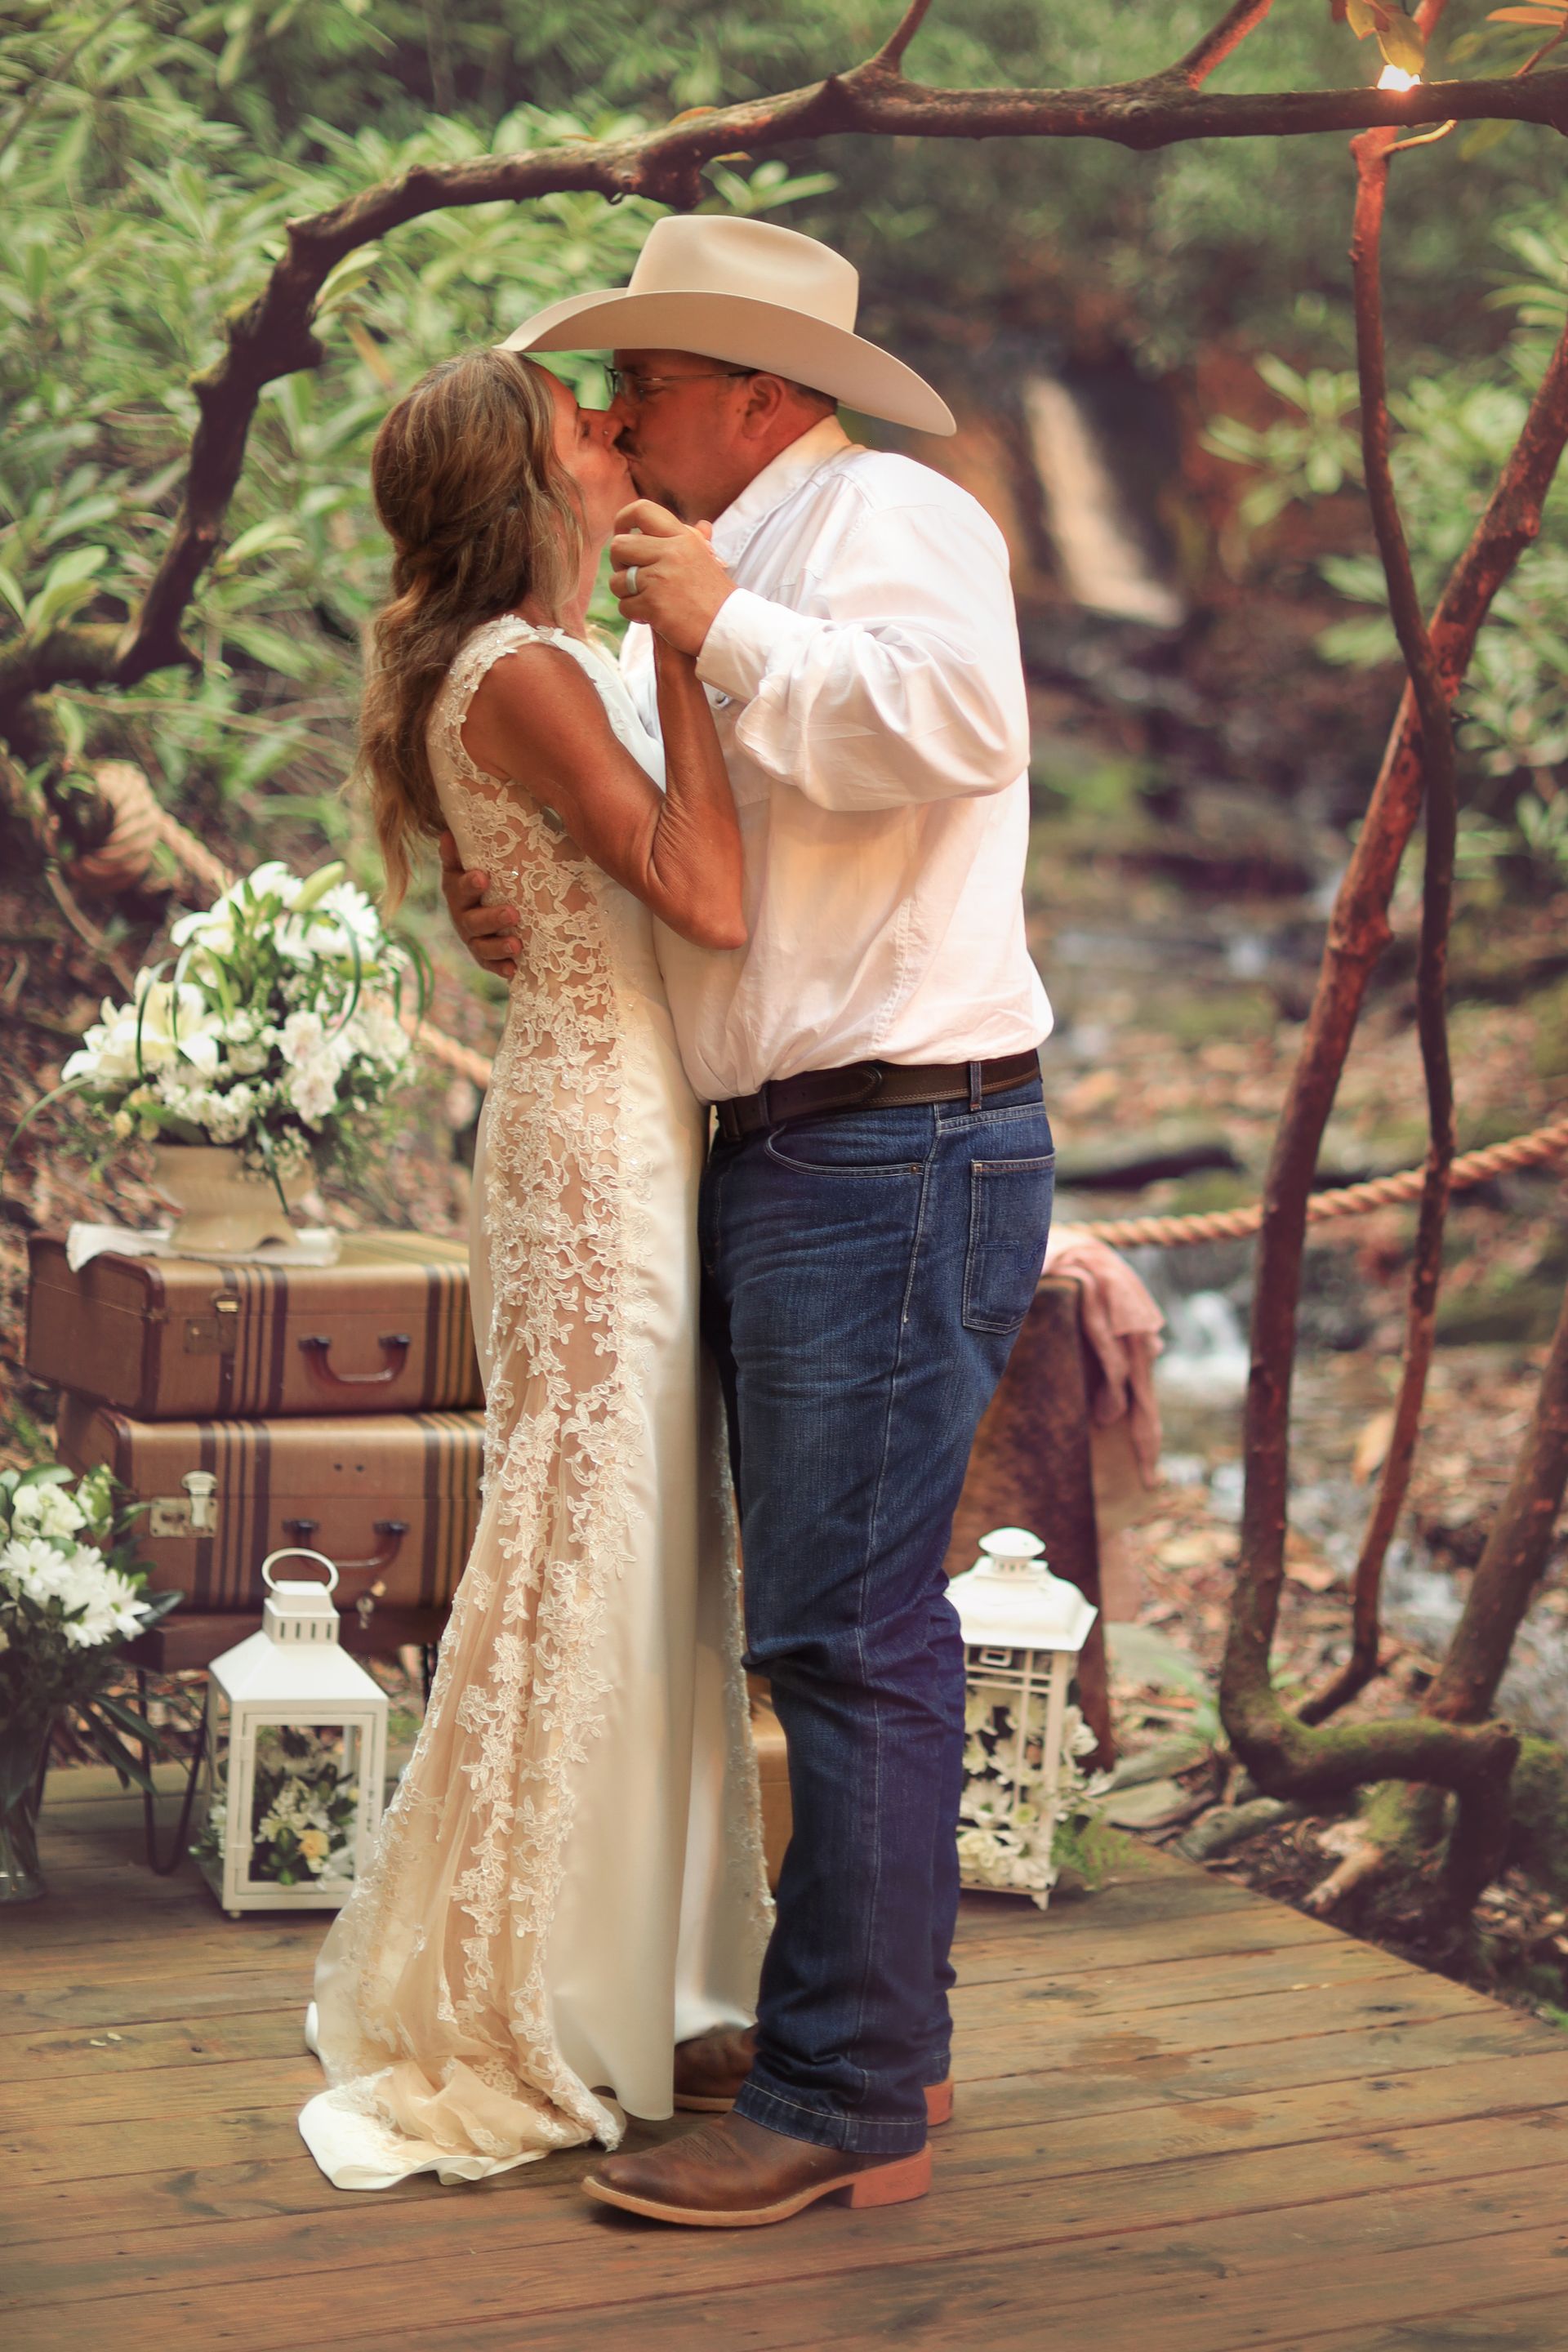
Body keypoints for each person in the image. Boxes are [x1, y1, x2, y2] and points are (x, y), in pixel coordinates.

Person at [443, 214, 1055, 2227]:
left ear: (757, 394)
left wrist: (717, 631)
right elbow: (699, 860)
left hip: (895, 1145)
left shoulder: (885, 515)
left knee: (847, 1634)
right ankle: (885, 2054)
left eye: (648, 381)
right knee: (827, 1619)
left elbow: (962, 726)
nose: (612, 415)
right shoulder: (701, 572)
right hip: (787, 1155)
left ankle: (841, 2102)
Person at [297, 344, 772, 2191]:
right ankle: (541, 1995)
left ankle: (634, 1977)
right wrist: (680, 653)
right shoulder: (539, 671)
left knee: (622, 1537)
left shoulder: (495, 674)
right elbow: (710, 900)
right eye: (584, 422)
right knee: (587, 1540)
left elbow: (578, 887)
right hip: (600, 1142)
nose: (613, 429)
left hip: (609, 1111)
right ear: (527, 478)